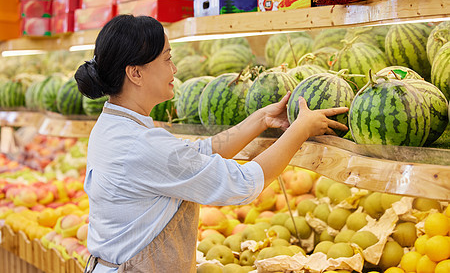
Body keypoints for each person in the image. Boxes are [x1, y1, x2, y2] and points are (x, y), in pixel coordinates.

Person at [75, 14, 348, 273]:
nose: (175, 69)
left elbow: (195, 155)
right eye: (167, 59)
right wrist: (300, 129)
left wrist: (260, 120)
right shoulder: (139, 145)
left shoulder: (113, 126)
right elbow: (242, 183)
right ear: (136, 73)